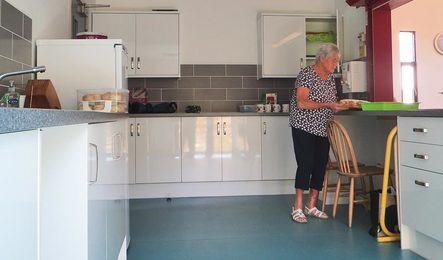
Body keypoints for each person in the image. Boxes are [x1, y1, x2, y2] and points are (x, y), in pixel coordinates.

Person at [289, 43, 347, 223]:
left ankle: (311, 205)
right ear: (322, 58)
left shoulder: (330, 78)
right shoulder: (306, 74)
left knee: (321, 165)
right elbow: (302, 103)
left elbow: (330, 101)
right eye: (333, 60)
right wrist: (328, 105)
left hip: (323, 127)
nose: (335, 64)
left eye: (337, 61)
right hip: (303, 125)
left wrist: (337, 106)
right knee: (306, 163)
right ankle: (297, 207)